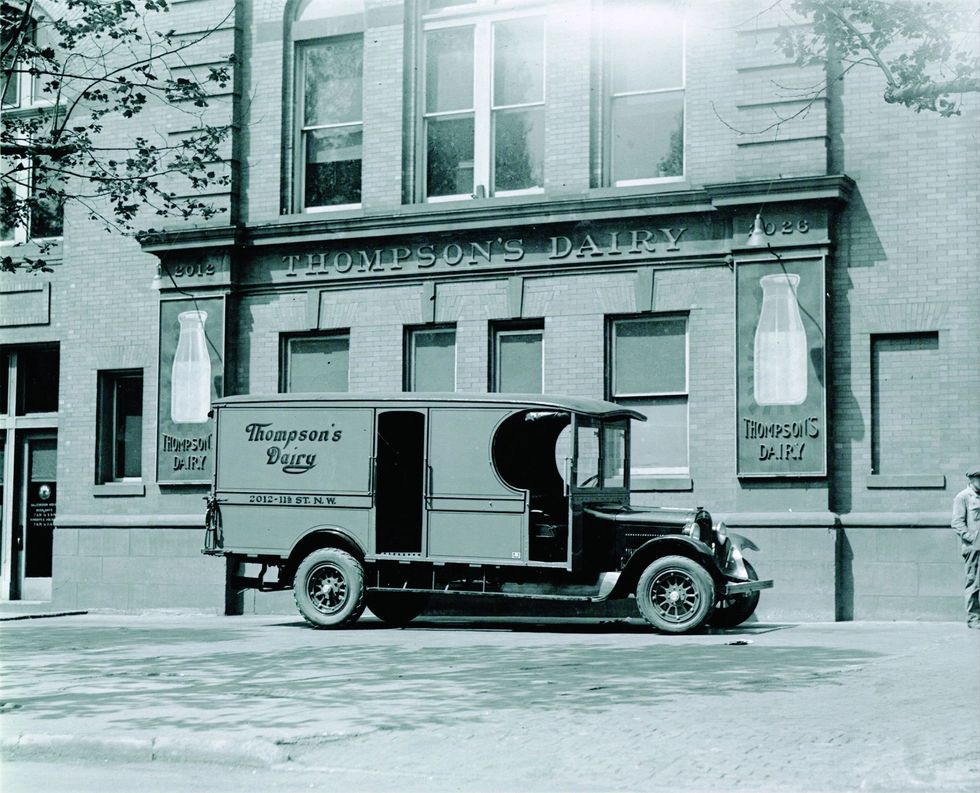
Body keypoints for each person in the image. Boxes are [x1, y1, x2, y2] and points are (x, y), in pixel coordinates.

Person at [951, 468, 980, 629]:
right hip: (974, 548)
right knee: (974, 583)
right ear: (971, 479)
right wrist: (973, 538)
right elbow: (957, 523)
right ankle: (973, 619)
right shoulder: (963, 497)